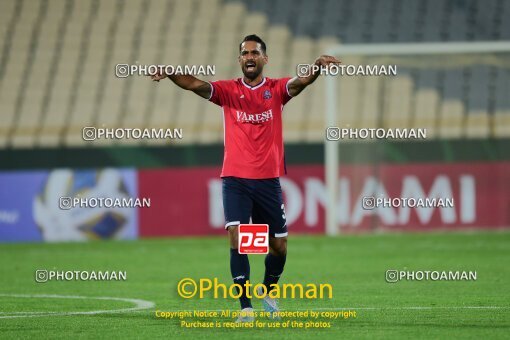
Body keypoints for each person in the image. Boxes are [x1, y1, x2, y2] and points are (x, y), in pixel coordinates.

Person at [151, 34, 340, 322]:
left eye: (255, 52)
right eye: (245, 53)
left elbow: (300, 82)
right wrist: (171, 72)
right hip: (235, 179)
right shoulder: (228, 91)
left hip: (268, 180)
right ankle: (245, 308)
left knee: (278, 244)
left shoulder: (276, 89)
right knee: (239, 239)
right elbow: (195, 84)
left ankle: (269, 292)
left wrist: (316, 67)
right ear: (239, 59)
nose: (250, 57)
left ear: (265, 59)